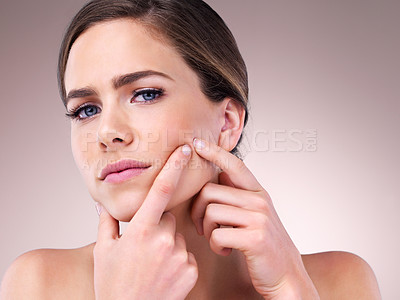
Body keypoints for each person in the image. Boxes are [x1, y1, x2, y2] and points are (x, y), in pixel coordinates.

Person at [0, 0, 381, 299]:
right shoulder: (39, 283)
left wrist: (292, 289)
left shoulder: (340, 283)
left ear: (227, 122)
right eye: (86, 109)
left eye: (145, 94)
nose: (107, 132)